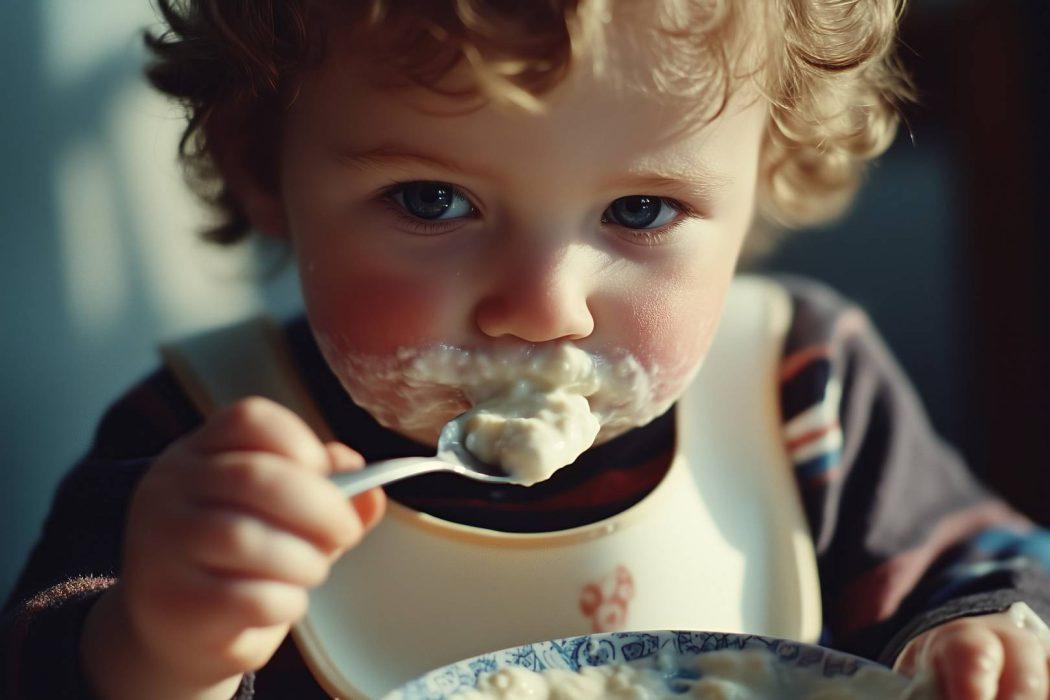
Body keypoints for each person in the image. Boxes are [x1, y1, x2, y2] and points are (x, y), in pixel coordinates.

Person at [3, 0, 1049, 698]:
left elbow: (997, 566)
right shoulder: (201, 444)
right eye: (432, 199)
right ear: (263, 167)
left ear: (768, 171)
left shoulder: (800, 387)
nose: (545, 308)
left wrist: (985, 632)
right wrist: (154, 646)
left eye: (641, 208)